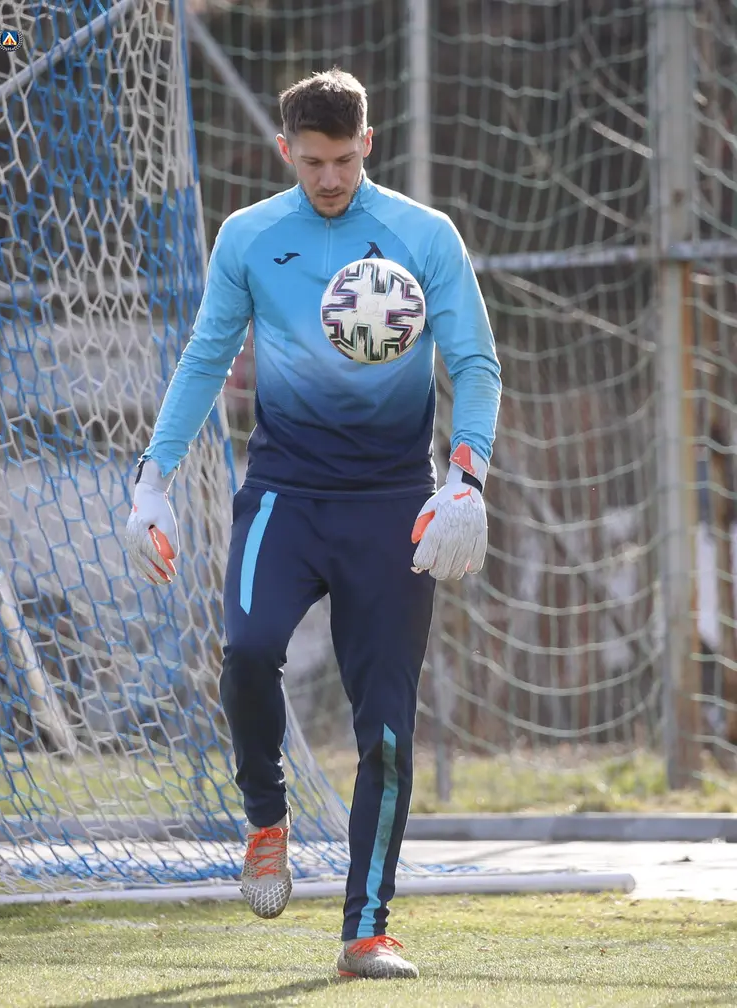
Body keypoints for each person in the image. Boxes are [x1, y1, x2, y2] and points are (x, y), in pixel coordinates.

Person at [124, 68, 501, 981]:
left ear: (368, 143)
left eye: (344, 160)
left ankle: (366, 933)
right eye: (312, 161)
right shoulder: (250, 237)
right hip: (283, 495)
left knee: (386, 731)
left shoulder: (425, 235)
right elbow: (206, 355)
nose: (329, 179)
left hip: (393, 505)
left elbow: (475, 362)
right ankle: (267, 818)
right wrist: (152, 481)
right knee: (248, 651)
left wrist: (465, 478)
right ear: (285, 150)